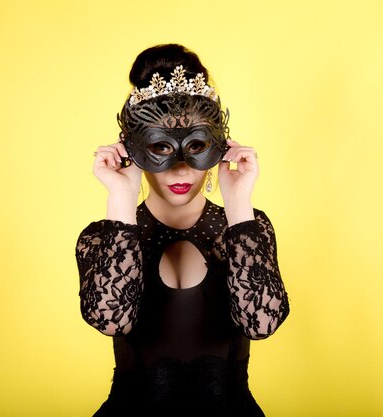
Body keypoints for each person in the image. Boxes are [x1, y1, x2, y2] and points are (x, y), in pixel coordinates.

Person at [75, 43, 290, 417]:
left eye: (196, 147)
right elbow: (112, 320)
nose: (180, 171)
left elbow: (261, 322)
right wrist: (120, 196)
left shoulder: (246, 230)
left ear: (218, 147)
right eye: (159, 147)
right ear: (133, 148)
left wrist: (239, 201)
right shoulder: (101, 238)